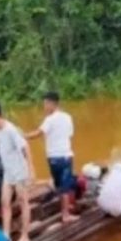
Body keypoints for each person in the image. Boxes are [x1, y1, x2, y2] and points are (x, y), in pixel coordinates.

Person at [0, 101, 35, 241]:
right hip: (8, 172)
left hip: (19, 172)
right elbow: (0, 138)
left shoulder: (11, 130)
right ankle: (5, 235)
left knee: (23, 202)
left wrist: (31, 170)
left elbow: (26, 147)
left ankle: (25, 236)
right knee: (5, 202)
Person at [25, 91, 78, 224]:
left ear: (51, 103)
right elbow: (70, 134)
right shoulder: (67, 117)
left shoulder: (50, 119)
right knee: (65, 187)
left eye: (45, 104)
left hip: (53, 158)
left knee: (59, 184)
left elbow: (37, 133)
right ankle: (65, 214)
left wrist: (22, 136)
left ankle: (64, 210)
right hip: (65, 157)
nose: (44, 107)